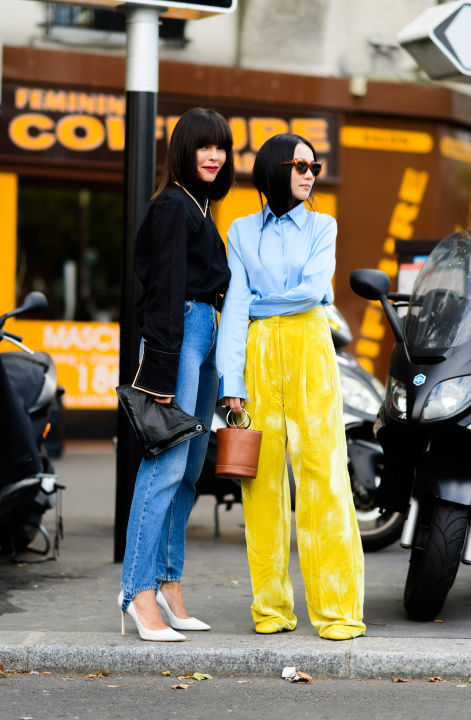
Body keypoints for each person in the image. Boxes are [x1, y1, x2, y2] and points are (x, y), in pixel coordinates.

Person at [216, 133, 365, 641]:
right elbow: (235, 305)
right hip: (256, 360)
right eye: (300, 164)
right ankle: (272, 609)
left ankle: (338, 610)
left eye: (314, 165)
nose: (309, 173)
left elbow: (314, 291)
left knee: (324, 480)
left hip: (309, 353)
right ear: (273, 170)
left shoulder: (324, 225)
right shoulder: (239, 230)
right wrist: (230, 380)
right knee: (261, 487)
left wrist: (262, 302)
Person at [119, 107, 234, 641]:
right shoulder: (172, 207)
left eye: (222, 147)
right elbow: (162, 290)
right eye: (204, 146)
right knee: (163, 463)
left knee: (189, 471)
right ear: (184, 151)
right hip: (180, 335)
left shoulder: (201, 209)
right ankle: (136, 591)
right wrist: (162, 370)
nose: (215, 156)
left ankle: (168, 582)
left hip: (205, 333)